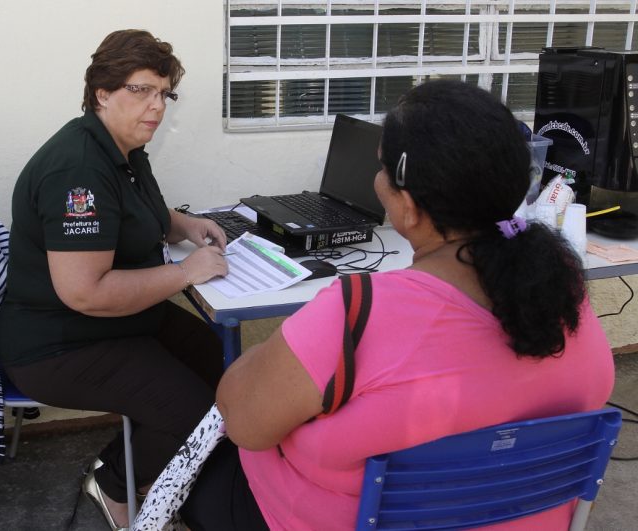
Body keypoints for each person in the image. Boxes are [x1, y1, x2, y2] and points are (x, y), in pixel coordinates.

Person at [179, 80, 615, 530]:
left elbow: (245, 422)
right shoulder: (566, 292)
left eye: (382, 167)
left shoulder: (357, 314)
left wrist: (265, 362)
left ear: (407, 207)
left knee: (203, 481)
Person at [0, 29, 229, 529]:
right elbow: (85, 291)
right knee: (194, 407)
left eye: (163, 93)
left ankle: (168, 470)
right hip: (59, 343)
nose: (156, 106)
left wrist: (185, 225)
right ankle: (116, 483)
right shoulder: (78, 169)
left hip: (113, 320)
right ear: (102, 92)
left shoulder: (122, 146)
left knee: (219, 361)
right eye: (140, 90)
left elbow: (138, 212)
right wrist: (185, 271)